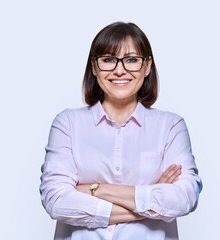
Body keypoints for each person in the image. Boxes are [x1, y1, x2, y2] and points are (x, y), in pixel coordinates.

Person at [40, 21, 202, 240]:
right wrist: (150, 202)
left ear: (147, 66)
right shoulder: (68, 123)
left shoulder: (170, 126)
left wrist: (96, 189)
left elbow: (184, 198)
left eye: (132, 60)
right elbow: (56, 201)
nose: (119, 70)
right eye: (108, 60)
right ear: (94, 67)